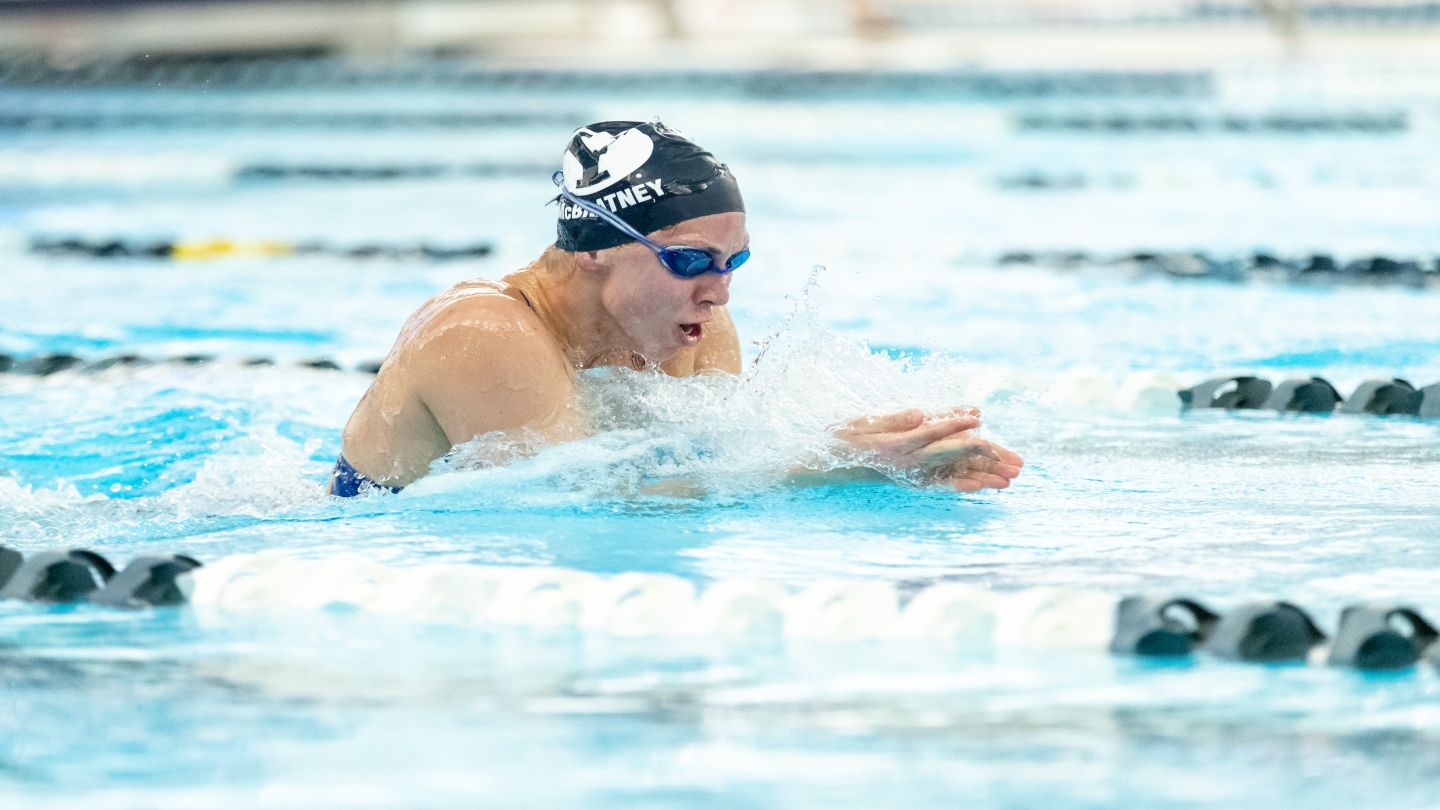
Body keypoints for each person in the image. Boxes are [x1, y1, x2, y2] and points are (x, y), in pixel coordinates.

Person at [330, 121, 1023, 497]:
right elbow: (571, 504)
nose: (718, 292)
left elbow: (705, 466)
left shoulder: (695, 329)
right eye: (690, 260)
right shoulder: (483, 333)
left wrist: (884, 455)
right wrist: (833, 466)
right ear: (594, 251)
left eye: (733, 263)